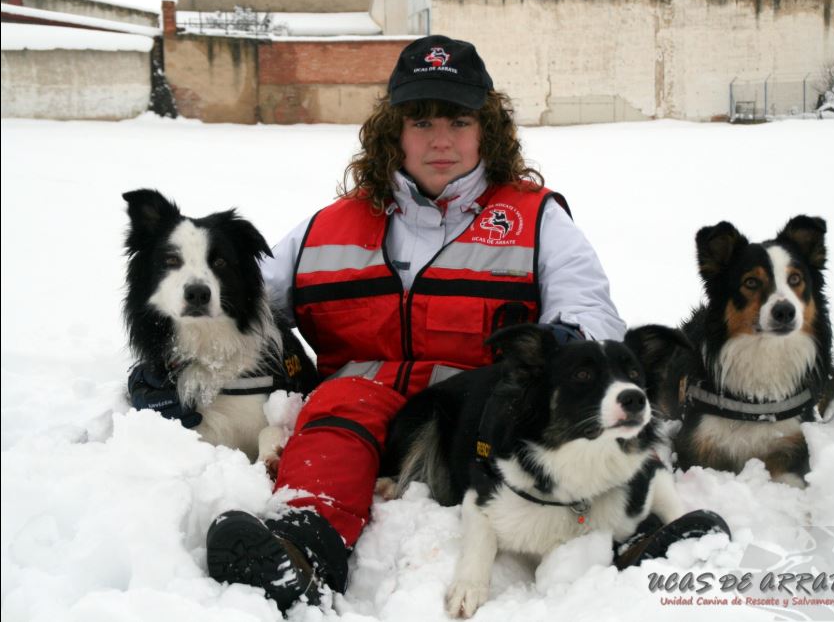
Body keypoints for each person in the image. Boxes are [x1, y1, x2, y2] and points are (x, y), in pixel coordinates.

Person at [203, 35, 626, 611]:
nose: (441, 141)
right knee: (343, 396)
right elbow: (241, 306)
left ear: (487, 129)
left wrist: (561, 341)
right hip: (353, 430)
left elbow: (591, 312)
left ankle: (634, 540)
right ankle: (302, 545)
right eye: (422, 122)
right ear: (394, 132)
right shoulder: (327, 228)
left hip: (475, 430)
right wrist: (170, 358)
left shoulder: (536, 219)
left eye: (458, 121)